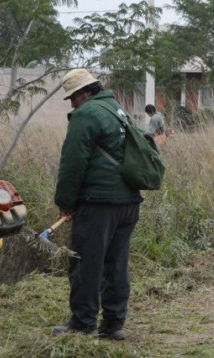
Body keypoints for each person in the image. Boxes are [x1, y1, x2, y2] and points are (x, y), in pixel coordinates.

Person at [51, 69, 142, 340]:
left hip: (99, 203)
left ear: (85, 93)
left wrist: (65, 202)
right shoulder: (117, 110)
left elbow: (73, 163)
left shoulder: (86, 114)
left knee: (85, 264)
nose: (71, 104)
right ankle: (114, 324)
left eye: (73, 98)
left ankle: (83, 323)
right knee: (116, 264)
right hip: (129, 201)